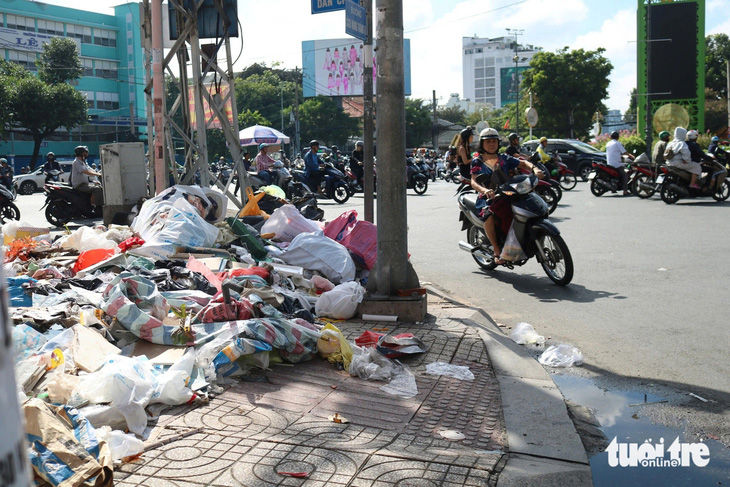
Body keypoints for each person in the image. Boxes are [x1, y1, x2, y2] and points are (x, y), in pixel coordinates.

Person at [469, 128, 542, 264]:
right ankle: (497, 251)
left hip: (508, 192)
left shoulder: (504, 158)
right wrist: (484, 190)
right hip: (488, 197)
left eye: (494, 141)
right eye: (488, 141)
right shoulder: (477, 161)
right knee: (489, 216)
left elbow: (523, 163)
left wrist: (534, 169)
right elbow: (473, 181)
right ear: (482, 144)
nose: (492, 144)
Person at [605, 131, 634, 195]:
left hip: (609, 164)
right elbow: (624, 152)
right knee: (625, 175)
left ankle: (613, 188)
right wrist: (631, 156)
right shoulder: (618, 143)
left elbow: (614, 153)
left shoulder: (608, 144)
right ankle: (625, 191)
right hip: (616, 164)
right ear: (618, 137)